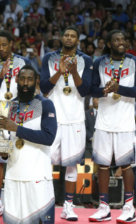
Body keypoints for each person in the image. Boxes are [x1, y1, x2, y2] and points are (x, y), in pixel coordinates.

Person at [40, 26, 93, 221]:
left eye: (73, 35)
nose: (69, 38)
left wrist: (73, 72)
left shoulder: (86, 60)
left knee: (72, 165)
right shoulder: (49, 58)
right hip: (53, 119)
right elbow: (44, 88)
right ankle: (45, 204)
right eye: (66, 35)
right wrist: (59, 73)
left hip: (75, 119)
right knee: (46, 163)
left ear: (78, 40)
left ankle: (68, 206)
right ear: (61, 37)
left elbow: (85, 89)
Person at [0, 64, 57, 224]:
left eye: (29, 79)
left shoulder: (45, 104)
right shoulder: (9, 105)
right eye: (22, 78)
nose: (25, 83)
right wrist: (2, 150)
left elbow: (48, 137)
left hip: (37, 176)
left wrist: (17, 129)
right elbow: (5, 137)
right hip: (13, 175)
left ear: (36, 81)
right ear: (16, 80)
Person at [88, 30, 136, 223]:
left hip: (125, 122)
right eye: (116, 39)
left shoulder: (133, 61)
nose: (121, 42)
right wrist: (104, 90)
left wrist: (119, 88)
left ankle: (129, 207)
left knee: (126, 166)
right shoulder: (99, 62)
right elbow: (90, 90)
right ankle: (104, 207)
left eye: (123, 39)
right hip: (104, 121)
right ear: (109, 43)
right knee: (102, 166)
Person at [0, 30, 31, 218]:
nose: (2, 48)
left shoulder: (23, 62)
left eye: (5, 44)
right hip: (1, 112)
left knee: (20, 157)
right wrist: (0, 76)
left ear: (12, 43)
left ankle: (18, 201)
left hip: (19, 111)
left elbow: (29, 86)